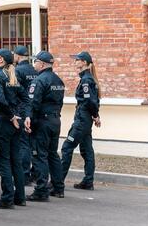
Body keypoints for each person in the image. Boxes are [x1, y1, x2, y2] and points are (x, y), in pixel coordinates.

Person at [0, 49, 30, 209]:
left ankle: (7, 197)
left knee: (3, 161)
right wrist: (24, 116)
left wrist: (12, 116)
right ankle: (20, 197)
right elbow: (25, 98)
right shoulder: (12, 76)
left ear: (1, 60)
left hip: (4, 122)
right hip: (15, 122)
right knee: (15, 160)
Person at [24, 50, 66, 201]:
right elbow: (60, 102)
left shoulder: (39, 81)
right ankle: (58, 188)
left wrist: (28, 119)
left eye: (35, 61)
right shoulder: (58, 80)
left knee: (39, 155)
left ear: (41, 64)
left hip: (42, 122)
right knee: (53, 154)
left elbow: (33, 103)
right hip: (55, 120)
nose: (34, 64)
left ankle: (41, 190)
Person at [61, 51, 101, 191]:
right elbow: (95, 100)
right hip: (86, 120)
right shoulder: (89, 79)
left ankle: (57, 182)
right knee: (87, 151)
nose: (75, 62)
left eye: (77, 60)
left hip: (82, 120)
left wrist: (95, 114)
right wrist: (96, 115)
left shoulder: (86, 80)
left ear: (84, 62)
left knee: (67, 148)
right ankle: (88, 181)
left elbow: (90, 101)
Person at [13, 46, 38, 184]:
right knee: (32, 143)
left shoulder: (18, 71)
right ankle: (34, 173)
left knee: (23, 143)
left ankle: (24, 174)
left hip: (22, 109)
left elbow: (16, 91)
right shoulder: (35, 69)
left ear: (17, 56)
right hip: (33, 109)